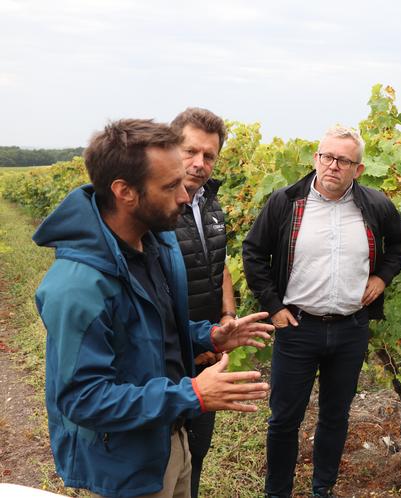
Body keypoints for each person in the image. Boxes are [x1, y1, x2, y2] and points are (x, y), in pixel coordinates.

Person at [33, 119, 274, 498]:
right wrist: (192, 395)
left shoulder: (156, 245)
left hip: (169, 438)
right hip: (126, 463)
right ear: (125, 192)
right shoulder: (78, 286)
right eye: (170, 186)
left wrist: (207, 335)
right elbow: (83, 399)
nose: (185, 195)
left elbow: (153, 331)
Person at [243, 126, 401, 498]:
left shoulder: (375, 205)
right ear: (315, 159)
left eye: (344, 160)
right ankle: (278, 493)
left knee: (335, 417)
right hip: (297, 328)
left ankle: (323, 489)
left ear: (359, 169)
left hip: (351, 328)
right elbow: (253, 253)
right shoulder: (285, 203)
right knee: (284, 419)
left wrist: (383, 277)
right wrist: (273, 307)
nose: (333, 166)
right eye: (327, 157)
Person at [171, 107, 233, 497]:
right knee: (164, 456)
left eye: (209, 155)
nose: (199, 163)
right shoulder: (154, 207)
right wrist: (187, 344)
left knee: (197, 452)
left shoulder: (211, 203)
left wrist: (226, 316)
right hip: (169, 351)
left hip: (206, 345)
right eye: (191, 151)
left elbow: (220, 262)